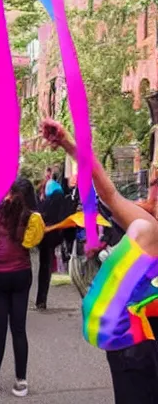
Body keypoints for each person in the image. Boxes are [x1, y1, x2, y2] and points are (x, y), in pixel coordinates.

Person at [41, 118, 158, 404]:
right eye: (153, 184)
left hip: (139, 350)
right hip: (129, 349)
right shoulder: (149, 226)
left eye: (156, 185)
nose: (151, 192)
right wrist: (70, 145)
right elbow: (108, 193)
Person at [0, 178, 45, 398]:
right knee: (19, 328)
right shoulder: (33, 218)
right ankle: (21, 382)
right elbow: (30, 243)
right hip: (21, 274)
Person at [35, 171, 69, 310]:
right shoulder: (61, 199)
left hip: (44, 237)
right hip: (55, 237)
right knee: (46, 267)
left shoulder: (45, 203)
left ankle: (40, 300)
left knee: (44, 267)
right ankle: (41, 300)